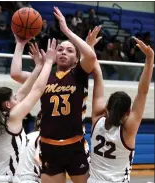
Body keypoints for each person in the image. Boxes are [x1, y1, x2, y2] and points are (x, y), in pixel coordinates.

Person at [10, 6, 98, 183]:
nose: (63, 52)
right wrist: (20, 45)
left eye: (69, 50)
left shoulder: (79, 74)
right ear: (54, 54)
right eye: (60, 49)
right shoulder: (45, 76)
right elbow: (16, 74)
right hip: (49, 147)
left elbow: (91, 56)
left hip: (75, 145)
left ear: (76, 58)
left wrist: (66, 30)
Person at [0, 36, 56, 183]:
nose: (18, 98)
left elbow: (22, 91)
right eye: (14, 98)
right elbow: (36, 91)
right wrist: (48, 63)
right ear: (7, 105)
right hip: (6, 179)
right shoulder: (12, 118)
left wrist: (21, 45)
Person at [88, 37, 154, 182]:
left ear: (106, 107)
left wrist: (90, 48)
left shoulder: (96, 119)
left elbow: (98, 76)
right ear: (128, 113)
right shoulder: (128, 131)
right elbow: (142, 92)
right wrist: (149, 58)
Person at [18, 110, 42, 183]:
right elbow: (37, 159)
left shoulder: (26, 136)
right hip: (32, 178)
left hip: (18, 178)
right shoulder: (42, 137)